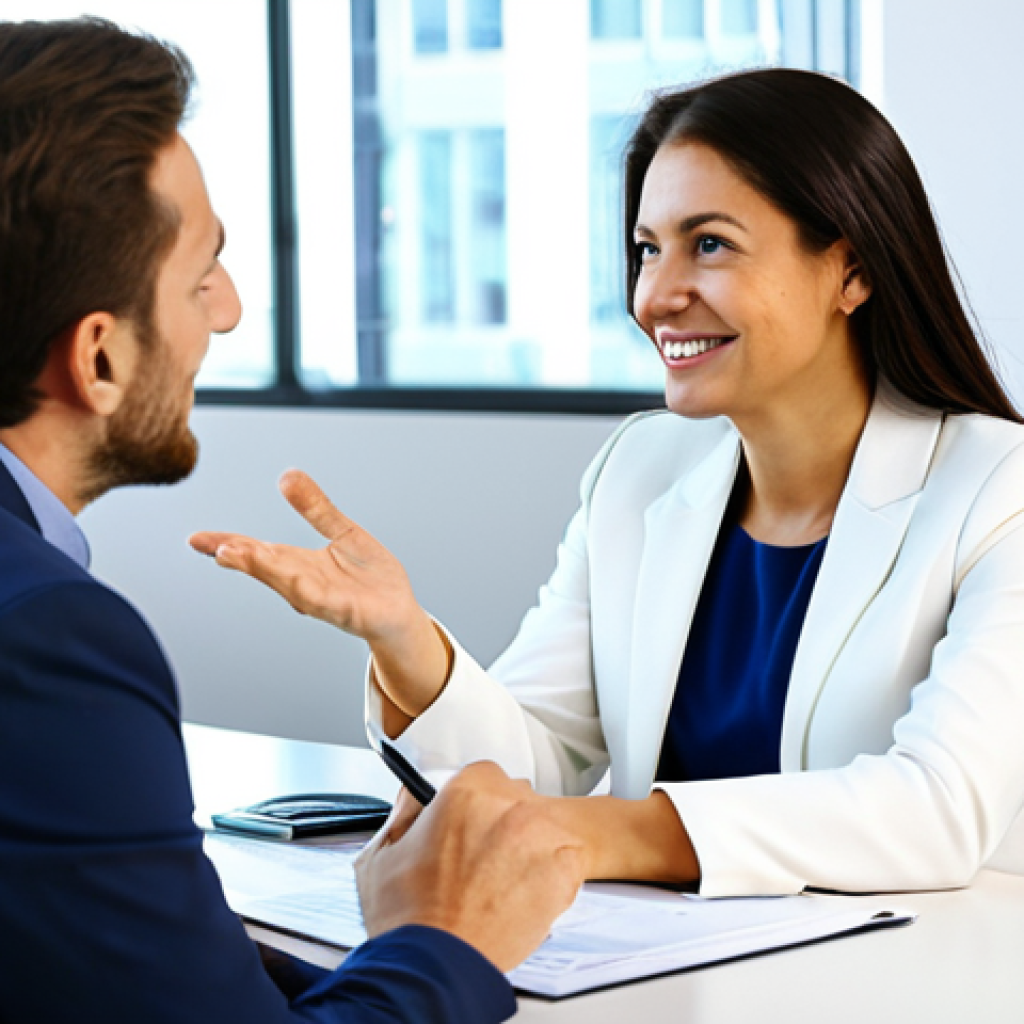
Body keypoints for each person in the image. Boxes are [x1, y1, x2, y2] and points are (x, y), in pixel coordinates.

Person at [192, 69, 1024, 898]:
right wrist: (406, 642)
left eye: (710, 244)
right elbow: (535, 756)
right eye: (647, 250)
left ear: (850, 269)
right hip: (680, 977)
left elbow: (936, 808)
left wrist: (575, 833)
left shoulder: (999, 491)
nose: (655, 296)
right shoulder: (640, 470)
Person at [0, 17, 584, 1024]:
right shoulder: (46, 636)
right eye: (199, 278)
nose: (224, 315)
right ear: (97, 359)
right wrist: (440, 939)